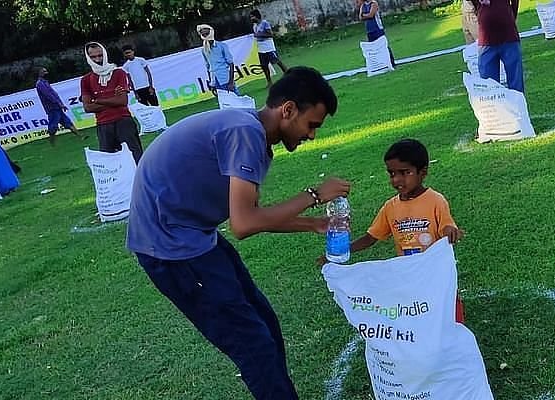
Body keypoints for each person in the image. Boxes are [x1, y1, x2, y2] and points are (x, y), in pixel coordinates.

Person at [126, 67, 348, 400]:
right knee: (253, 343)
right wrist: (314, 195)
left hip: (195, 236)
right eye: (311, 125)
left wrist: (314, 223)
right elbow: (243, 225)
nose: (312, 135)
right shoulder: (246, 134)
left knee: (264, 323)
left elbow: (249, 215)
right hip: (171, 249)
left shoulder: (250, 130)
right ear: (287, 110)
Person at [327, 139, 466, 322]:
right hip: (408, 273)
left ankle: (455, 331)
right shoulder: (390, 207)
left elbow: (447, 226)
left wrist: (451, 231)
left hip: (436, 273)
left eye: (405, 172)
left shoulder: (435, 201)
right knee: (418, 313)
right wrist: (339, 253)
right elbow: (371, 237)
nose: (397, 179)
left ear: (422, 172)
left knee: (448, 310)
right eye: (392, 173)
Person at [80, 42, 143, 163]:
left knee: (136, 158)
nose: (98, 59)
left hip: (123, 121)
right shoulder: (86, 80)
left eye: (100, 55)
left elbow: (122, 101)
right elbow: (87, 107)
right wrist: (113, 99)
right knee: (111, 163)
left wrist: (97, 100)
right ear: (88, 58)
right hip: (104, 125)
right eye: (93, 57)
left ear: (105, 54)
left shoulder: (119, 73)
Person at [477, 0, 524, 93]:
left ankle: (516, 106)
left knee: (516, 84)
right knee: (489, 86)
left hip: (509, 35)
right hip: (486, 40)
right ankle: (494, 107)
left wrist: (509, 17)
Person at [34, 67, 86, 145]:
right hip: (52, 108)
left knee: (67, 122)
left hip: (57, 107)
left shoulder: (45, 82)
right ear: (39, 73)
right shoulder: (40, 84)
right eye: (44, 71)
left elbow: (53, 95)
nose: (46, 72)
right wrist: (59, 104)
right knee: (53, 126)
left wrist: (60, 104)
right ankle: (52, 143)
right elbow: (49, 95)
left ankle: (80, 136)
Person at [250, 10, 289, 88]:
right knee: (264, 66)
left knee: (278, 62)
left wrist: (259, 35)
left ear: (256, 16)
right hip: (261, 49)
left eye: (252, 16)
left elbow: (270, 34)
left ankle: (289, 75)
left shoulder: (264, 23)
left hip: (269, 47)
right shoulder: (254, 26)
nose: (251, 18)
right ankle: (269, 82)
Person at [197, 24, 239, 95]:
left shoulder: (222, 46)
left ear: (211, 32)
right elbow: (208, 66)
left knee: (235, 99)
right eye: (203, 34)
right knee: (224, 103)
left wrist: (231, 82)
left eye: (207, 33)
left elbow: (231, 63)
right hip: (215, 80)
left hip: (225, 78)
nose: (205, 36)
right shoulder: (204, 50)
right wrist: (212, 83)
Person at [359, 0, 396, 67]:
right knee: (374, 48)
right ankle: (380, 64)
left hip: (377, 28)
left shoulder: (374, 3)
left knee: (383, 46)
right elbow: (360, 17)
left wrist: (364, 15)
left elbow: (371, 15)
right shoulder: (363, 5)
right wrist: (365, 15)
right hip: (369, 30)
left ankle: (392, 62)